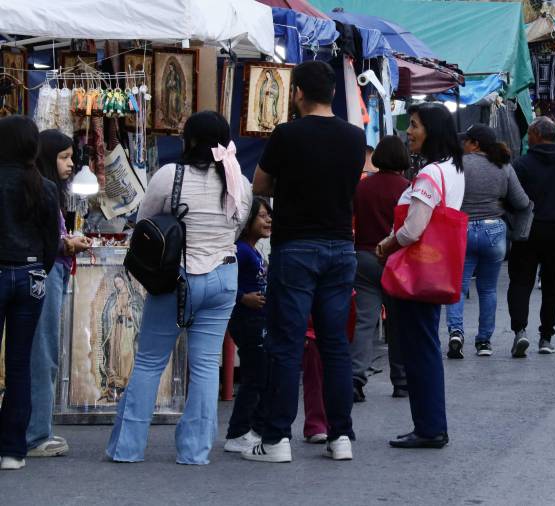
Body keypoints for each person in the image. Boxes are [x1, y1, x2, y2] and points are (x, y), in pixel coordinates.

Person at [106, 111, 253, 465]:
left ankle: (128, 447)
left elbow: (145, 223)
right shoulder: (240, 182)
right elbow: (237, 229)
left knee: (150, 361)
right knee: (205, 366)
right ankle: (195, 451)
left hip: (179, 279)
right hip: (223, 278)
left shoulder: (170, 176)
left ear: (188, 140)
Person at [246, 61, 365, 462]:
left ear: (296, 93)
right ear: (332, 94)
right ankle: (340, 436)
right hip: (339, 246)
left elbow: (260, 185)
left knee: (287, 342)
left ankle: (277, 438)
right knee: (334, 344)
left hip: (295, 246)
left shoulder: (286, 135)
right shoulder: (354, 138)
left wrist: (292, 185)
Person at [375, 102, 465, 449]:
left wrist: (386, 244)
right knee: (426, 345)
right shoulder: (453, 170)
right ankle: (430, 424)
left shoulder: (429, 174)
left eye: (414, 125)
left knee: (420, 349)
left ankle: (429, 427)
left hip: (417, 270)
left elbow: (413, 229)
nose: (408, 132)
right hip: (437, 267)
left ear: (432, 131)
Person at [26, 130, 91, 459]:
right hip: (47, 273)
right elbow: (43, 240)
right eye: (63, 157)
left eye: (71, 157)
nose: (70, 164)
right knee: (44, 351)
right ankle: (37, 433)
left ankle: (34, 428)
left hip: (52, 271)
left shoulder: (45, 189)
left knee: (42, 350)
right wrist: (68, 244)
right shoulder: (42, 190)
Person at [0, 116, 60, 471]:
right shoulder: (44, 187)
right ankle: (12, 449)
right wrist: (39, 268)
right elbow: (51, 241)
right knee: (20, 363)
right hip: (32, 275)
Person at [446, 124, 529, 358]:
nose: (463, 144)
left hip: (462, 230)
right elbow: (522, 202)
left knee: (458, 288)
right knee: (488, 289)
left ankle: (456, 333)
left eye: (467, 141)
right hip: (493, 231)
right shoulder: (503, 166)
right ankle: (484, 342)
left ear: (475, 144)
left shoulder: (458, 165)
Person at [507, 117, 555, 357]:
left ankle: (520, 330)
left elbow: (510, 199)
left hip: (527, 231)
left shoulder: (522, 165)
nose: (527, 138)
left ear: (537, 136)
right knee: (552, 285)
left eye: (529, 133)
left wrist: (511, 225)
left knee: (520, 282)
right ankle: (546, 336)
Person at [350, 135, 410, 400]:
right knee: (398, 322)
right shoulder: (408, 188)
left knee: (365, 321)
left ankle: (355, 379)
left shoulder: (361, 187)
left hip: (364, 257)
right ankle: (401, 380)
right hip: (396, 260)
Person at [223, 197, 272, 453]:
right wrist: (244, 297)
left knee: (258, 374)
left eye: (268, 216)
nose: (268, 220)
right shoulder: (240, 250)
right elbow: (226, 278)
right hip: (247, 318)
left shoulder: (252, 249)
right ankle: (238, 431)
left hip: (256, 318)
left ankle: (246, 428)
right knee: (256, 375)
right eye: (262, 216)